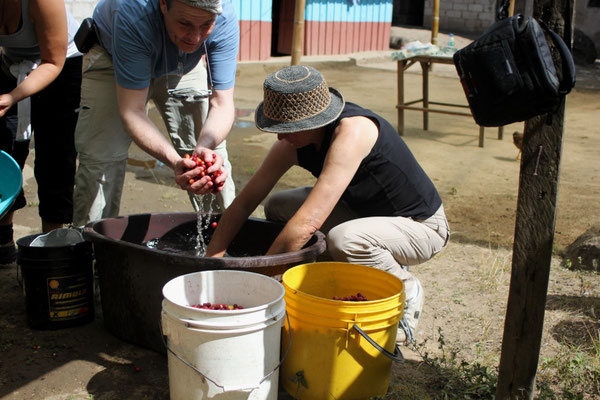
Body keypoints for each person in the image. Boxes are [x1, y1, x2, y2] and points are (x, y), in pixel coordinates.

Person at [206, 65, 450, 344]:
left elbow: (309, 222)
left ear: (313, 121)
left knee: (345, 239)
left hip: (420, 226)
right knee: (279, 205)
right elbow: (246, 201)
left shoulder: (354, 131)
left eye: (286, 129)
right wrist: (213, 260)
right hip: (363, 214)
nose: (279, 136)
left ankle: (405, 288)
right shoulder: (293, 143)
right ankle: (328, 278)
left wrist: (258, 286)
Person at [72, 0, 238, 227]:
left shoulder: (224, 15)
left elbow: (222, 104)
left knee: (212, 160)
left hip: (183, 64)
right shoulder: (133, 11)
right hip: (114, 56)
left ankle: (226, 242)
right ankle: (93, 247)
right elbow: (133, 111)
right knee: (101, 160)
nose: (196, 37)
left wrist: (204, 146)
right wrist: (175, 162)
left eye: (206, 25)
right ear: (163, 5)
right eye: (185, 23)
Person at [0, 0, 83, 264]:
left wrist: (13, 96)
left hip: (60, 64)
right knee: (4, 150)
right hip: (10, 63)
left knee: (55, 159)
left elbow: (53, 61)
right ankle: (3, 237)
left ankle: (54, 249)